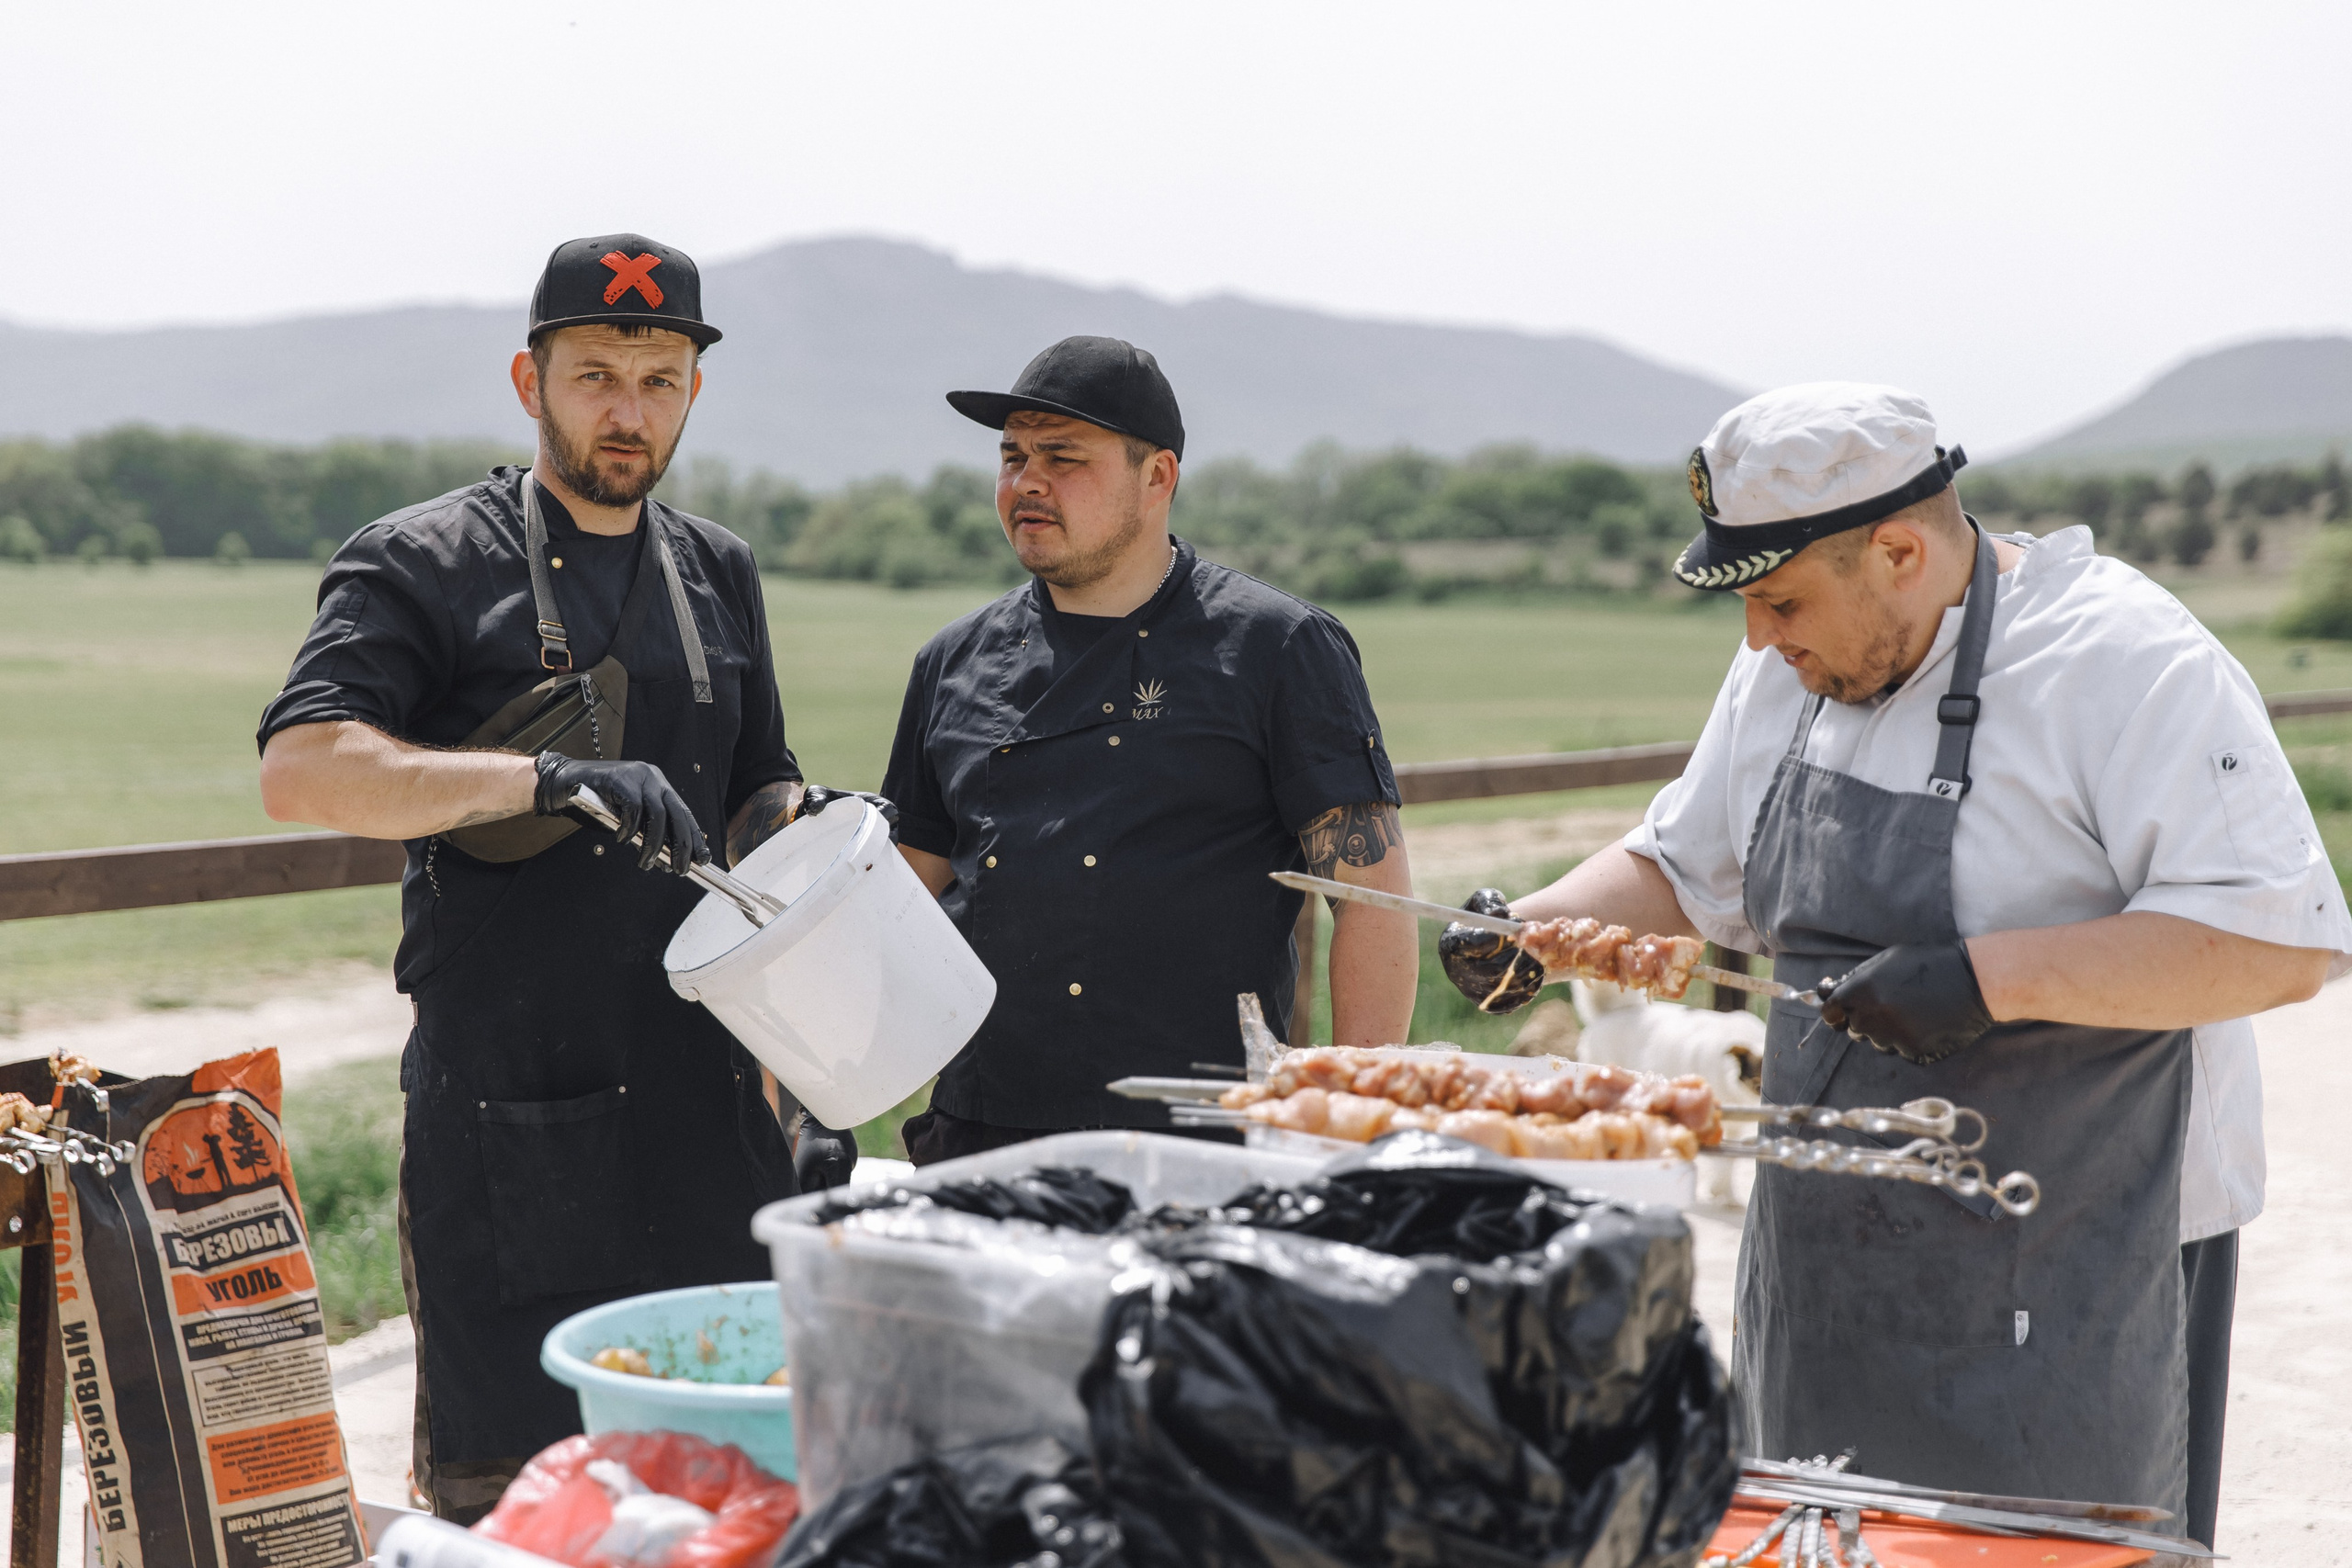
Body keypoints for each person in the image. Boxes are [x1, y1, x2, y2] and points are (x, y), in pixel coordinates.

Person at [1441, 383, 2349, 1544]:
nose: (1758, 638)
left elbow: (2272, 944)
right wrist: (1531, 925)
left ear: (1899, 549)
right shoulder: (1794, 659)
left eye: (1777, 600)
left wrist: (1984, 980)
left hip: (2074, 1252)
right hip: (1827, 1245)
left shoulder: (2126, 662)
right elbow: (1685, 860)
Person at [255, 233, 862, 1520]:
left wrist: (819, 836)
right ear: (530, 382)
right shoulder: (420, 560)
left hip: (710, 1117)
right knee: (524, 1502)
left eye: (658, 376)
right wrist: (538, 779)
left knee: (733, 1489)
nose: (626, 408)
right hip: (512, 1126)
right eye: (595, 373)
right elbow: (305, 767)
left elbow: (755, 786)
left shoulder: (721, 570)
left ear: (694, 389)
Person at [881, 335, 1419, 1162]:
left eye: (1064, 458)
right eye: (1014, 455)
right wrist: (816, 1095)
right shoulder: (951, 660)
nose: (1028, 481)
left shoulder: (1279, 649)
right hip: (982, 1132)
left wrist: (1352, 1122)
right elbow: (899, 903)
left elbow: (1373, 902)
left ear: (1158, 476)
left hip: (1207, 1135)